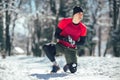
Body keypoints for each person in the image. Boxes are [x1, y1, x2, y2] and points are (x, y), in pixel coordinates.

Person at [43, 6, 87, 73]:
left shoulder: (83, 28)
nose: (81, 16)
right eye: (79, 14)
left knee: (73, 70)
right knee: (46, 47)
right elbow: (56, 35)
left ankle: (69, 64)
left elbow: (82, 42)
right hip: (60, 45)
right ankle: (56, 65)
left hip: (71, 49)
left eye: (82, 14)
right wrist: (64, 39)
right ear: (74, 15)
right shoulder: (64, 22)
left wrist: (74, 43)